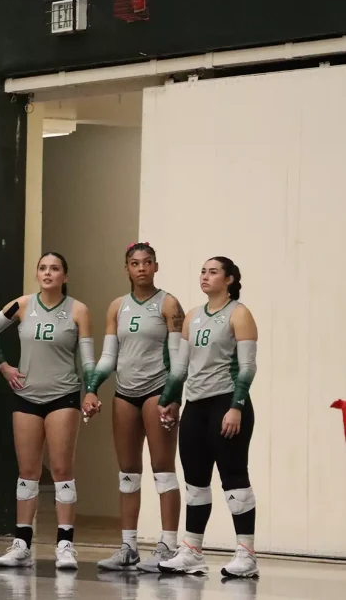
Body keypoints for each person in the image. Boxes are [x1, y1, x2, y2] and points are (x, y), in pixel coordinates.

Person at [0, 252, 94, 570]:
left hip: (63, 395)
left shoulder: (78, 310)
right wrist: (4, 366)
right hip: (26, 396)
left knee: (61, 470)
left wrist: (91, 391)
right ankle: (22, 544)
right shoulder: (21, 305)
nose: (48, 273)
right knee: (28, 472)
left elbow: (87, 359)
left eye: (55, 268)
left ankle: (65, 544)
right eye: (43, 268)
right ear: (37, 274)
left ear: (65, 276)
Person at [157, 257, 259, 579]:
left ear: (229, 279)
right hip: (196, 406)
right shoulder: (192, 316)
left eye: (213, 271)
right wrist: (169, 400)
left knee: (233, 478)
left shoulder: (239, 314)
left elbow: (247, 367)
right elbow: (182, 368)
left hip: (226, 404)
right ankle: (192, 551)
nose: (205, 276)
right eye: (202, 270)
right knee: (195, 482)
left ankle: (246, 553)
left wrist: (236, 406)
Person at [86, 243, 184, 572]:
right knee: (128, 473)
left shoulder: (169, 304)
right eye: (134, 263)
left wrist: (172, 398)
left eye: (146, 262)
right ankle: (128, 547)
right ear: (126, 269)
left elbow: (178, 361)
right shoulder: (117, 307)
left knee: (163, 470)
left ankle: (168, 547)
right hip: (125, 395)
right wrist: (91, 387)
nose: (141, 268)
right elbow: (109, 358)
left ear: (156, 266)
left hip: (158, 393)